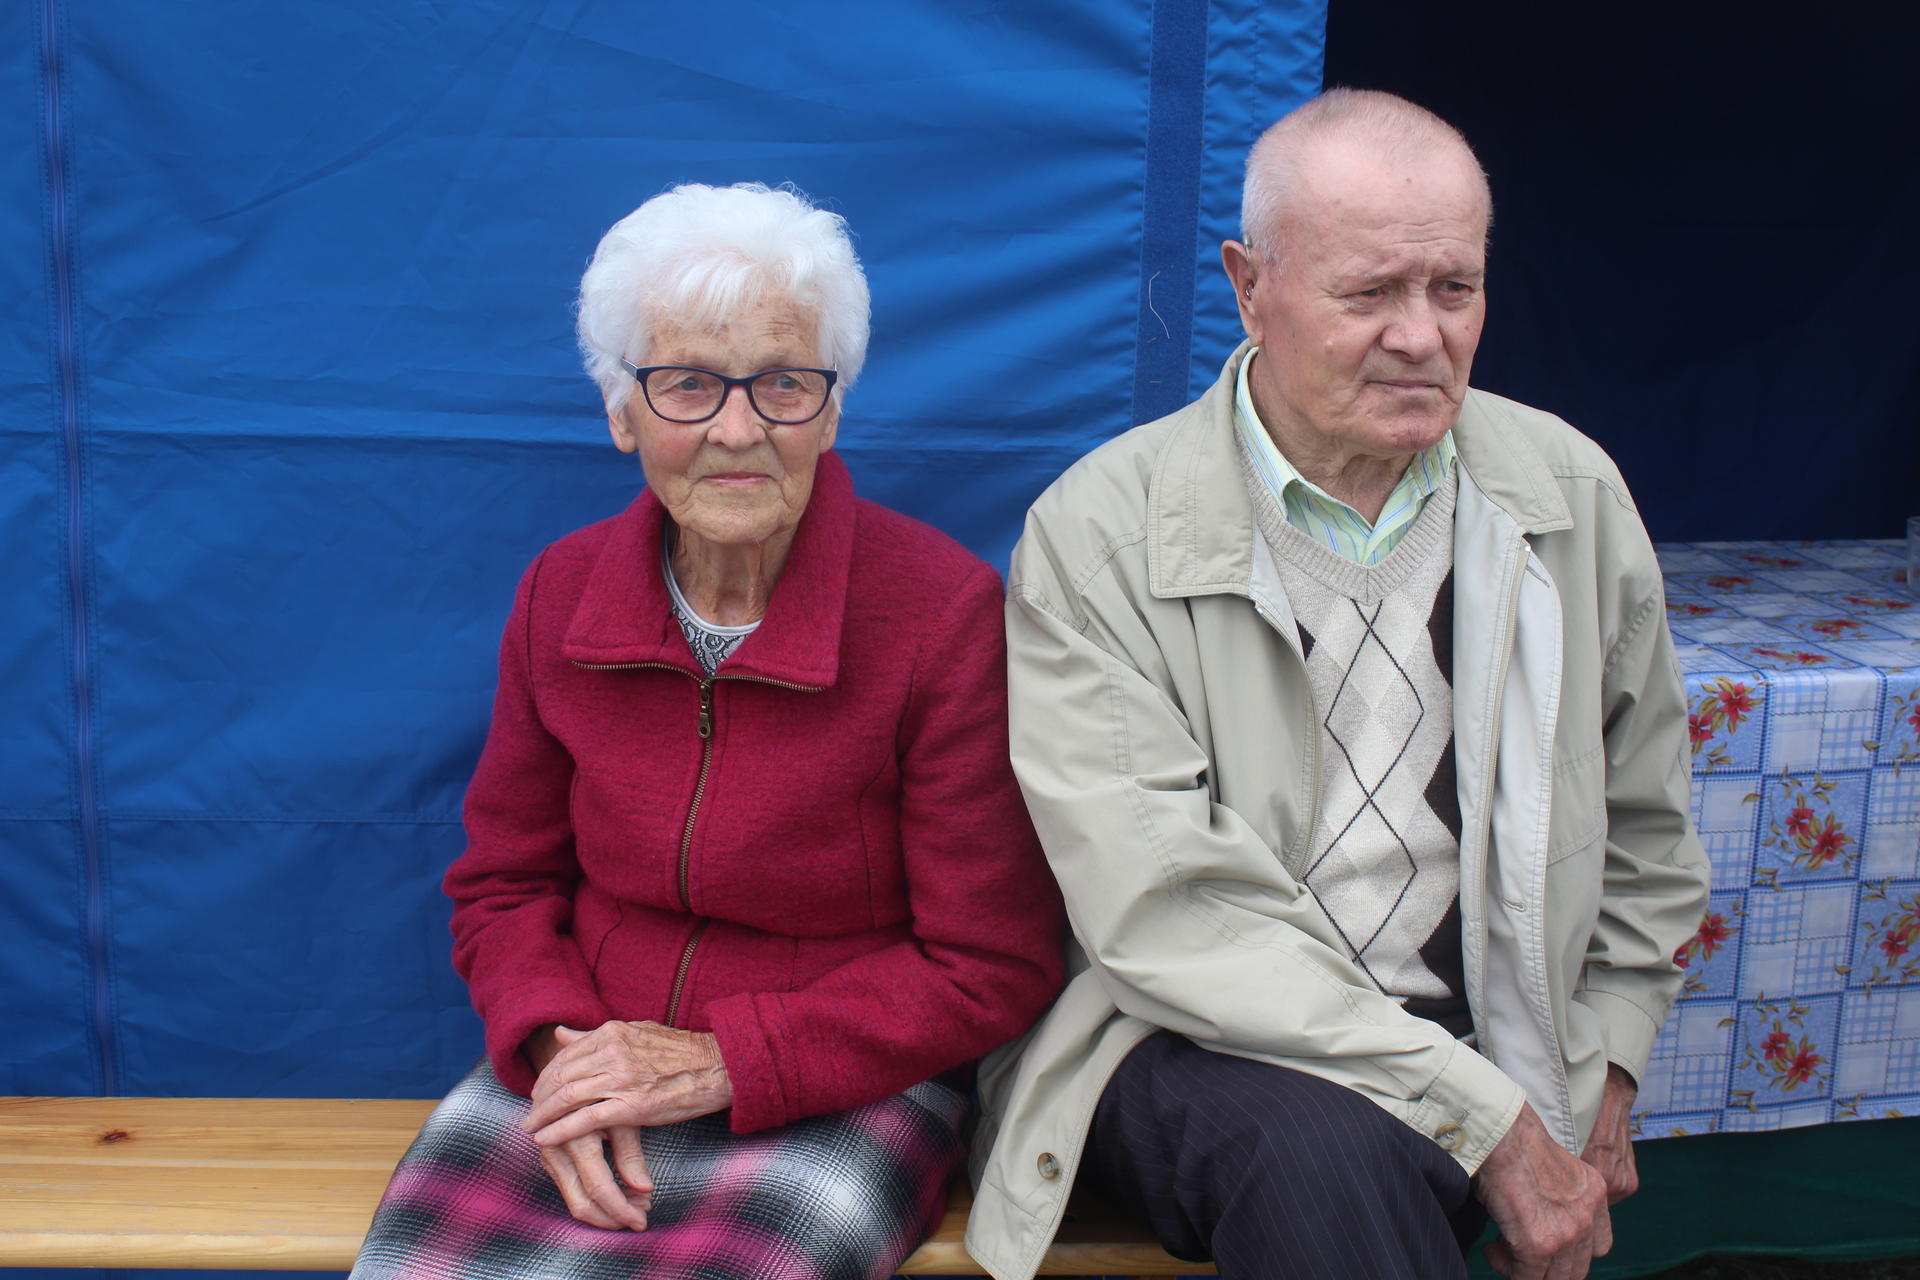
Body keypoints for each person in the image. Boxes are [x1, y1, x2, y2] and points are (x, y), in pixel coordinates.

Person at [965, 90, 1710, 1280]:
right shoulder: (1101, 532)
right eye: (1369, 293)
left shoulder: (1567, 493)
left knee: (1366, 1166)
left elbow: (1646, 828)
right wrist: (1481, 1112)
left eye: (1455, 288)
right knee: (1321, 1149)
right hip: (1188, 1037)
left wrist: (1606, 1063)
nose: (1422, 335)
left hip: (1482, 1034)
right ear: (1248, 286)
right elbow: (1166, 909)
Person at [352, 182, 1065, 1280]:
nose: (739, 429)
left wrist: (722, 1059)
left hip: (843, 1079)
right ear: (621, 411)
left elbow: (988, 963)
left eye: (783, 383)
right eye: (687, 384)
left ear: (831, 410)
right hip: (587, 1053)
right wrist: (562, 1051)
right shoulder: (559, 596)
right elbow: (502, 886)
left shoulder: (940, 615)